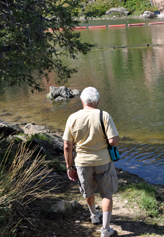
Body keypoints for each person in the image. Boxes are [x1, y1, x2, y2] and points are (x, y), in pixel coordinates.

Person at [63, 87, 119, 237]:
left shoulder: (72, 118)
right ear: (98, 101)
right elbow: (113, 141)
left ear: (82, 101)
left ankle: (94, 215)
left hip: (82, 163)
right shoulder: (104, 115)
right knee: (106, 194)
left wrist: (69, 167)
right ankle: (106, 230)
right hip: (103, 161)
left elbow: (67, 146)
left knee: (88, 191)